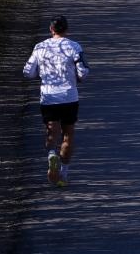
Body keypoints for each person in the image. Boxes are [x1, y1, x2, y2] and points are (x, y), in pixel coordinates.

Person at [23, 15, 90, 186]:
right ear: (67, 30)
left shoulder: (40, 47)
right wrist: (77, 78)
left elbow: (28, 72)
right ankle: (64, 175)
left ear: (51, 29)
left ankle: (52, 154)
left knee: (52, 131)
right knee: (68, 135)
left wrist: (42, 74)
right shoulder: (74, 46)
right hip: (69, 96)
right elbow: (83, 71)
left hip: (49, 96)